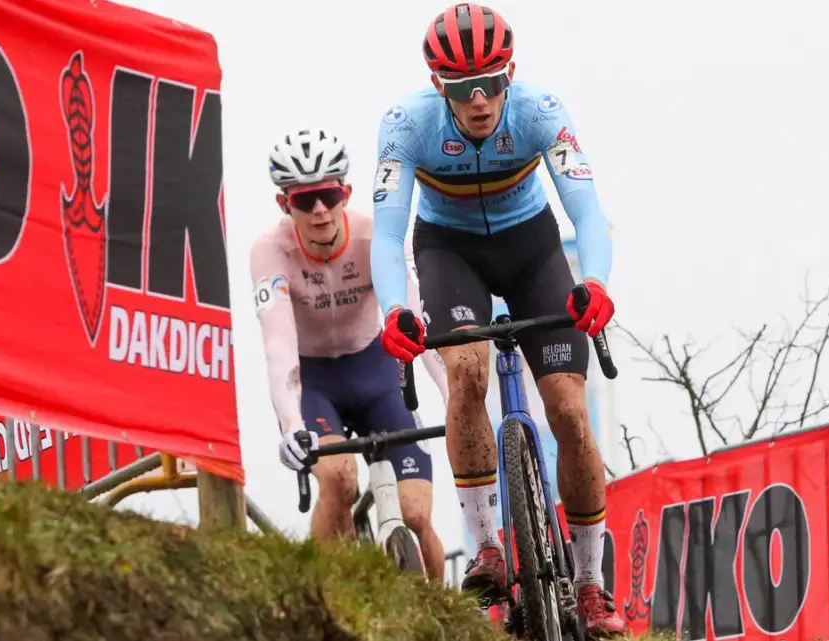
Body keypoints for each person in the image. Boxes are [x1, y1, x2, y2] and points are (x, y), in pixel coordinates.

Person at [368, 4, 625, 636]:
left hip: (532, 248)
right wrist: (395, 309)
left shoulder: (540, 111)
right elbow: (389, 232)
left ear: (512, 73)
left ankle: (591, 585)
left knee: (567, 408)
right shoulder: (406, 126)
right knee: (464, 374)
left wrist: (594, 283)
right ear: (438, 87)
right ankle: (486, 545)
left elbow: (587, 211)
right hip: (449, 251)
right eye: (462, 88)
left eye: (493, 82)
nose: (480, 100)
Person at [250, 127, 450, 581]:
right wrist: (291, 426)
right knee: (338, 480)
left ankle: (443, 615)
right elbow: (278, 345)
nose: (319, 209)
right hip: (316, 383)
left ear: (346, 193)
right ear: (286, 205)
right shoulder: (269, 252)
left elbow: (417, 321)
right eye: (305, 200)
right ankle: (331, 596)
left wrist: (453, 397)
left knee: (417, 516)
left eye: (328, 195)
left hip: (376, 371)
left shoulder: (373, 237)